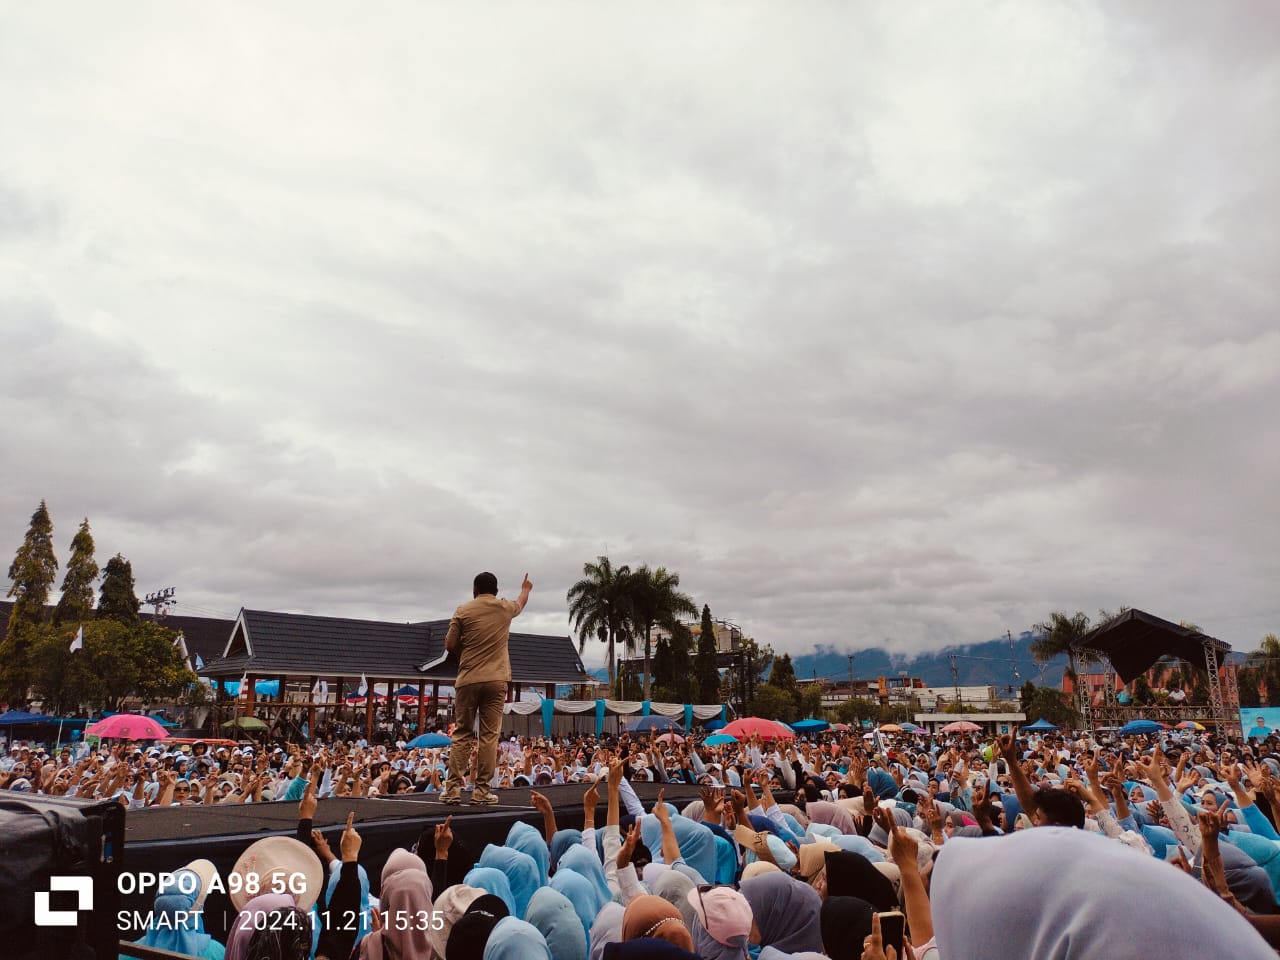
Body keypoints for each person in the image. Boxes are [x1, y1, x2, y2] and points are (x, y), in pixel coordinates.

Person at [441, 571, 533, 805]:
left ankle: (452, 790)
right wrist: (526, 588)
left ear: (474, 589)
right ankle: (481, 791)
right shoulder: (504, 608)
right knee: (489, 736)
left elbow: (450, 644)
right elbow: (521, 602)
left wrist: (466, 655)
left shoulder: (463, 610)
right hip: (496, 679)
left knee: (462, 733)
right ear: (497, 590)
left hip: (468, 678)